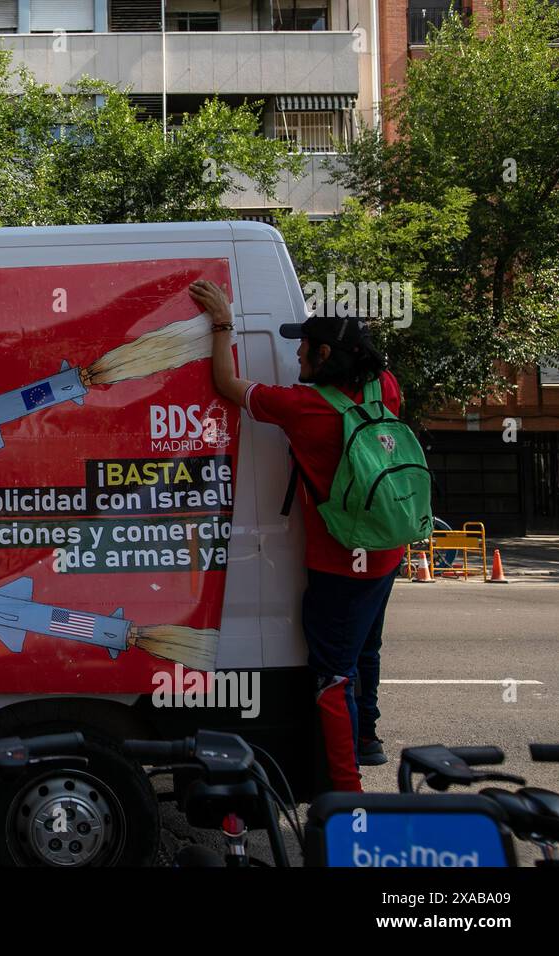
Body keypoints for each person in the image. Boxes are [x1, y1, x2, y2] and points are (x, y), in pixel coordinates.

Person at [192, 279, 401, 793]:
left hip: (337, 564)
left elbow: (226, 383)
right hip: (387, 548)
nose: (297, 353)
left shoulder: (305, 408)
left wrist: (222, 323)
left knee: (332, 674)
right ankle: (368, 735)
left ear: (325, 353)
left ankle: (345, 792)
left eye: (303, 346)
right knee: (365, 647)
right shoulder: (386, 388)